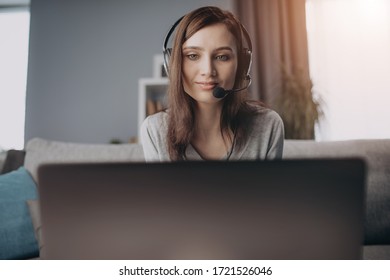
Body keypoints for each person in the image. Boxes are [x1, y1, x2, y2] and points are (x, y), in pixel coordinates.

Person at [141, 6, 284, 161]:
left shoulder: (268, 125)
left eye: (222, 57)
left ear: (242, 66)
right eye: (193, 56)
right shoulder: (155, 130)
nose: (208, 71)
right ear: (174, 63)